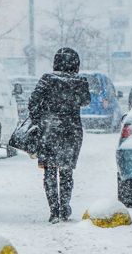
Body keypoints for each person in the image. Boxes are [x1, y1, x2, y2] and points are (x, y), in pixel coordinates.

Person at [28, 48, 90, 223]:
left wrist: (39, 119)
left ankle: (54, 209)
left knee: (49, 170)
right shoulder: (80, 81)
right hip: (72, 131)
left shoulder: (47, 80)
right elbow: (85, 101)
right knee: (66, 171)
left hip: (49, 130)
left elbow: (33, 101)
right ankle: (64, 207)